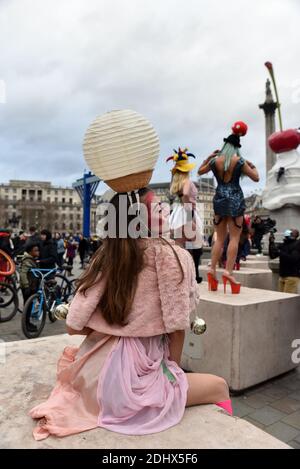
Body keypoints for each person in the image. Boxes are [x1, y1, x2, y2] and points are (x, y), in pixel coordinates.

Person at [29, 110, 231, 441]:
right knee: (219, 386)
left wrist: (114, 327)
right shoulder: (174, 258)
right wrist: (171, 374)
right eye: (157, 205)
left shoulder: (107, 255)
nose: (164, 208)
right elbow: (178, 328)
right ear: (146, 216)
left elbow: (72, 324)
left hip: (93, 375)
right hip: (133, 382)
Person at [198, 121, 259, 293]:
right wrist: (252, 165)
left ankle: (212, 270)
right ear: (237, 147)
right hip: (235, 200)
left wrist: (209, 157)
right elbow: (256, 178)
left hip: (219, 199)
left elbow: (200, 171)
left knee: (219, 237)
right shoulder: (239, 161)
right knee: (234, 237)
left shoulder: (216, 161)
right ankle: (228, 272)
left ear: (224, 145)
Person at [167, 147, 204, 283]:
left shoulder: (177, 183)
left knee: (180, 244)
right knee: (194, 244)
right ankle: (192, 273)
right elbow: (187, 193)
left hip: (179, 211)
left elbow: (182, 194)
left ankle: (180, 273)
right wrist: (189, 202)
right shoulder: (187, 182)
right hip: (188, 211)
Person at [269, 229, 300, 293]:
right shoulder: (284, 244)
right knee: (282, 298)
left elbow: (293, 258)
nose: (289, 231)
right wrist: (271, 243)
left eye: (292, 231)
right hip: (282, 276)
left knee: (287, 299)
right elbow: (272, 256)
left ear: (295, 235)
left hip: (292, 276)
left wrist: (280, 252)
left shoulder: (297, 244)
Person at [19, 243, 40, 332]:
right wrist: (26, 286)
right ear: (30, 252)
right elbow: (23, 273)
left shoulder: (31, 259)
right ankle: (27, 325)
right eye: (36, 250)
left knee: (28, 305)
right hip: (28, 287)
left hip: (31, 286)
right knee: (27, 306)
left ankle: (27, 323)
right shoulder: (27, 260)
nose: (38, 252)